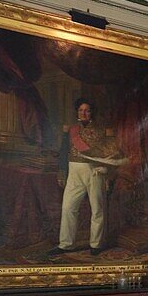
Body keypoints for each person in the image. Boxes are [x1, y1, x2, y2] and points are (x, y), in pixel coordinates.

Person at [48, 98, 123, 257]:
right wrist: (62, 172)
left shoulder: (103, 130)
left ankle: (96, 244)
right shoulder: (71, 130)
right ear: (77, 111)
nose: (83, 113)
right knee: (68, 208)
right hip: (74, 172)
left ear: (92, 113)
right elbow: (63, 152)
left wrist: (106, 170)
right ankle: (66, 244)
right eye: (81, 110)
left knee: (97, 209)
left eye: (87, 110)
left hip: (95, 171)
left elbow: (112, 153)